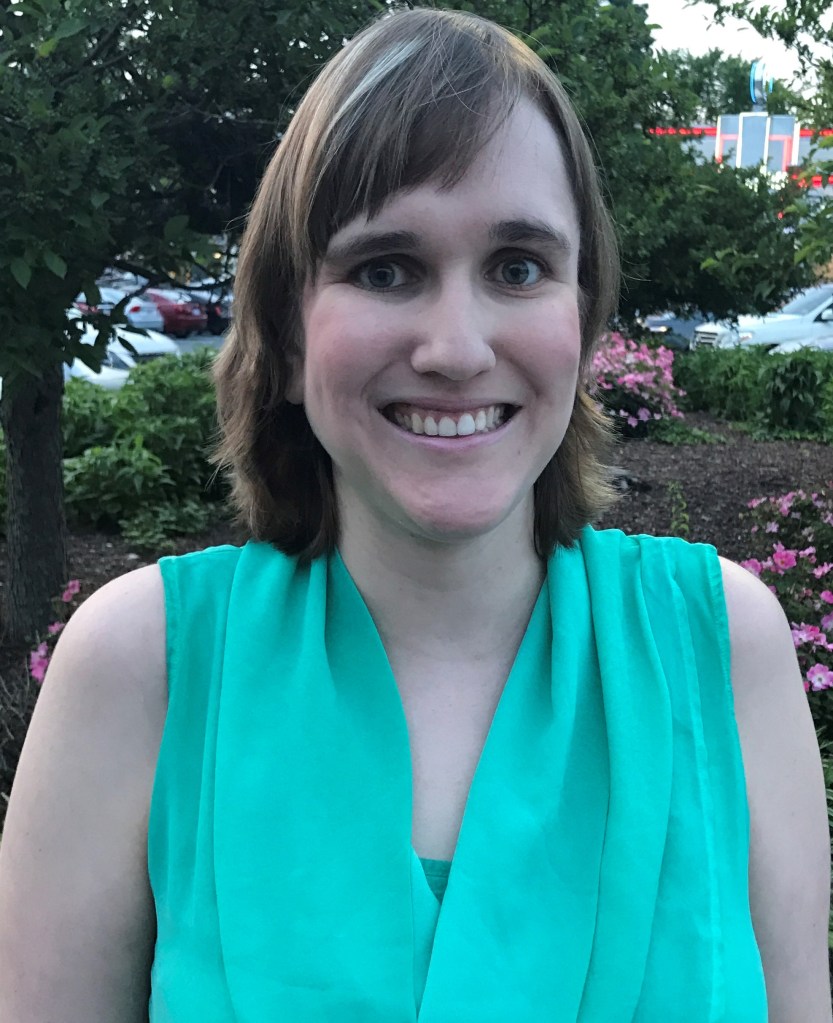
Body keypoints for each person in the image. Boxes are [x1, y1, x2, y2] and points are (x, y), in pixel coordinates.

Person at [0, 7, 830, 1021]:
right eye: (384, 269)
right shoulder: (144, 671)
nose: (455, 348)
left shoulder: (721, 647)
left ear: (582, 313)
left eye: (516, 267)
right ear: (289, 336)